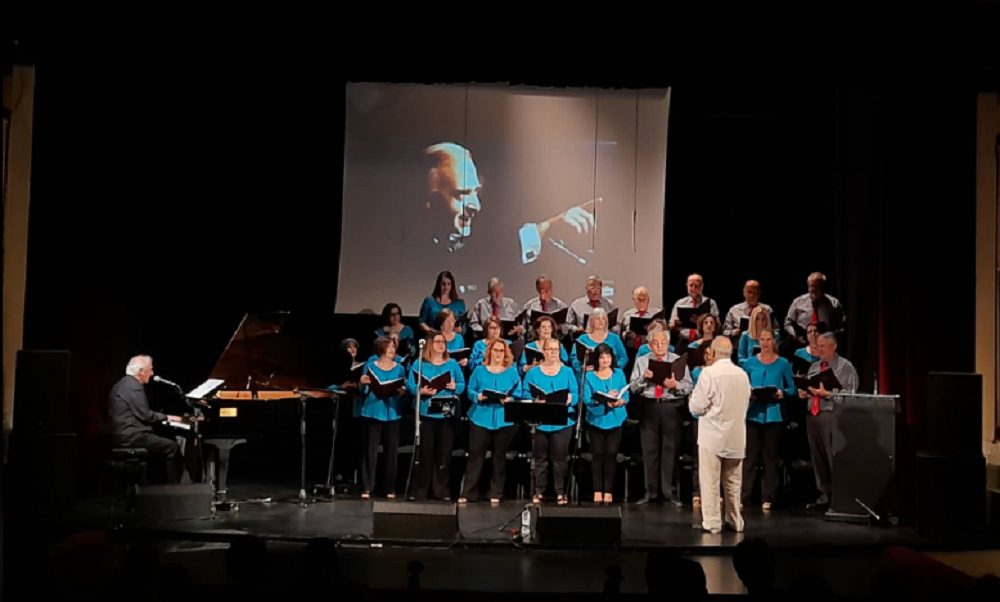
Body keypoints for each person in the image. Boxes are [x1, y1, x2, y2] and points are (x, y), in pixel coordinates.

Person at [689, 338, 750, 534]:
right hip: (736, 436)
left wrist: (693, 401)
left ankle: (713, 522)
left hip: (712, 436)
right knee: (733, 483)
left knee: (710, 481)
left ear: (713, 353)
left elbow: (697, 407)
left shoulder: (708, 373)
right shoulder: (742, 375)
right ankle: (735, 520)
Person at [630, 330, 693, 506]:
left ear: (668, 344)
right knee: (649, 450)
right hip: (649, 406)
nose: (659, 346)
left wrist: (676, 385)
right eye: (656, 343)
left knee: (670, 450)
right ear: (649, 345)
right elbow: (633, 387)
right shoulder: (642, 361)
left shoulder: (677, 360)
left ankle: (669, 492)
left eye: (663, 343)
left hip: (671, 407)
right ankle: (650, 492)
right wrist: (643, 378)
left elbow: (688, 386)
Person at [797, 332, 858, 507]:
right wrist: (805, 393)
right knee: (818, 457)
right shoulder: (814, 367)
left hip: (833, 416)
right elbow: (812, 388)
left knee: (834, 457)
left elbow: (851, 394)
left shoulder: (846, 367)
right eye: (818, 346)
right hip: (814, 415)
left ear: (834, 346)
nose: (819, 349)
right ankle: (824, 494)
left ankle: (840, 497)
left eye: (823, 346)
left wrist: (829, 394)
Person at [459, 338, 521, 504]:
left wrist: (510, 399)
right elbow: (470, 390)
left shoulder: (512, 371)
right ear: (489, 352)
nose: (498, 354)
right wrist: (477, 396)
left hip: (504, 419)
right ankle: (468, 492)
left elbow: (518, 392)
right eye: (495, 350)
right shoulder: (479, 370)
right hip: (480, 416)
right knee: (476, 455)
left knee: (499, 456)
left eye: (501, 351)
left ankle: (496, 492)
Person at [406, 332, 466, 501]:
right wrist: (420, 390)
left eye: (443, 342)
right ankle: (420, 491)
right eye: (437, 341)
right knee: (424, 453)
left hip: (445, 411)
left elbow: (462, 384)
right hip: (425, 411)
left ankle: (441, 491)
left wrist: (455, 386)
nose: (441, 345)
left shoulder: (452, 364)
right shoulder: (419, 363)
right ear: (430, 344)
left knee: (444, 453)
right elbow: (410, 384)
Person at [741, 329, 796, 510]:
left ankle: (769, 497)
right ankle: (744, 497)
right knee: (749, 457)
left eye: (768, 339)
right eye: (762, 339)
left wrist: (781, 393)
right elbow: (742, 386)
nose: (765, 343)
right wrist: (748, 394)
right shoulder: (749, 363)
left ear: (774, 341)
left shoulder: (783, 363)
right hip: (752, 414)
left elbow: (792, 389)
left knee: (770, 458)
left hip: (774, 415)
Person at [107, 355, 184, 483]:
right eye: (150, 369)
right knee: (172, 447)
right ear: (141, 371)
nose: (152, 373)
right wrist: (168, 417)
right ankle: (173, 488)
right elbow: (145, 415)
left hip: (124, 433)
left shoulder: (123, 384)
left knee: (162, 440)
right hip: (132, 436)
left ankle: (156, 482)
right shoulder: (133, 386)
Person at [522, 338, 578, 505]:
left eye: (556, 350)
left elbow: (575, 393)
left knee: (560, 458)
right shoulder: (533, 373)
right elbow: (525, 393)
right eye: (550, 349)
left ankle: (561, 492)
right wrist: (535, 401)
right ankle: (539, 491)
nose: (553, 352)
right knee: (540, 457)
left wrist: (570, 398)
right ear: (544, 351)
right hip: (540, 419)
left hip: (562, 419)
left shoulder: (567, 371)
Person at [357, 338, 407, 499]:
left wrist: (402, 391)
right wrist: (363, 383)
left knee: (391, 452)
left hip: (392, 413)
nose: (392, 350)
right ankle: (367, 486)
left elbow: (402, 388)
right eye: (389, 347)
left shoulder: (400, 368)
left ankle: (389, 487)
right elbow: (363, 391)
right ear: (381, 349)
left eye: (394, 347)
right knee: (370, 451)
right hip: (372, 411)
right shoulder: (370, 366)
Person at [583, 343, 630, 503]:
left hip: (615, 419)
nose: (605, 360)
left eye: (608, 357)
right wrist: (601, 401)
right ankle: (597, 490)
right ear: (597, 359)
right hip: (596, 419)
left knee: (611, 455)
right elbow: (587, 399)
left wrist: (621, 401)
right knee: (597, 455)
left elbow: (626, 394)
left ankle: (608, 490)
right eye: (602, 357)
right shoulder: (589, 376)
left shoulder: (618, 373)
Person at [784, 272, 847, 343]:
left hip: (825, 344)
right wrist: (796, 336)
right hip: (802, 343)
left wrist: (831, 337)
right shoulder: (798, 302)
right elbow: (788, 324)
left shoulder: (834, 303)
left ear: (823, 287)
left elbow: (842, 326)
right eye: (812, 286)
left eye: (818, 286)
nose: (814, 289)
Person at [571, 308, 628, 377]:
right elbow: (574, 358)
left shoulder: (615, 338)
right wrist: (582, 367)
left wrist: (613, 367)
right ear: (591, 321)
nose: (601, 320)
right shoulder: (581, 339)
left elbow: (623, 358)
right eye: (597, 318)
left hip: (610, 376)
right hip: (588, 375)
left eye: (603, 318)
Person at [669, 273, 721, 345]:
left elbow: (717, 326)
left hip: (703, 341)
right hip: (683, 341)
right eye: (690, 285)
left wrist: (700, 322)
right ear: (687, 286)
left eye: (696, 286)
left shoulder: (710, 303)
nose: (693, 288)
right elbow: (671, 327)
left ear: (701, 286)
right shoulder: (679, 303)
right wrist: (675, 324)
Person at [619, 285, 660, 351]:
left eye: (644, 299)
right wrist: (626, 335)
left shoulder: (657, 314)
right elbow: (621, 334)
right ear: (634, 300)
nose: (642, 301)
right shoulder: (627, 314)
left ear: (648, 300)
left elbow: (664, 332)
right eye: (639, 299)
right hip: (631, 350)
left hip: (650, 349)